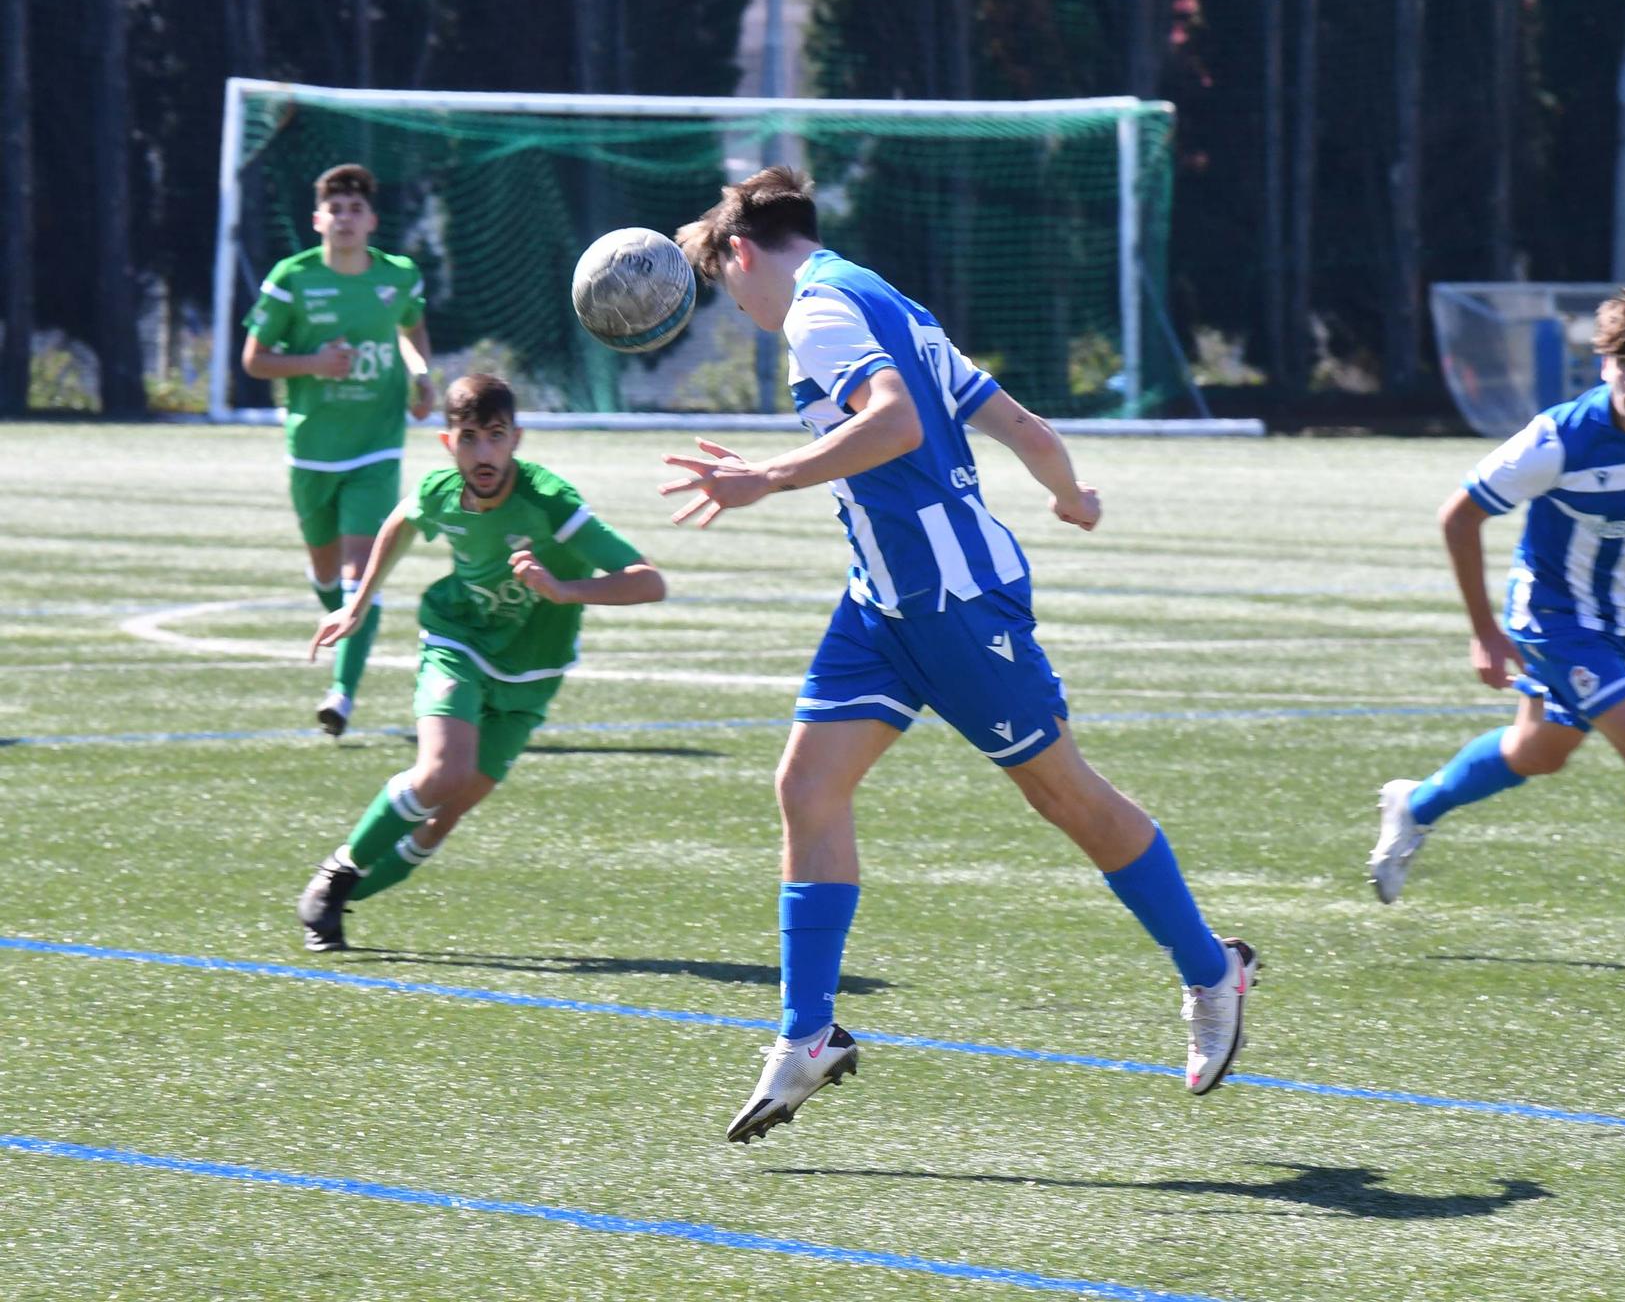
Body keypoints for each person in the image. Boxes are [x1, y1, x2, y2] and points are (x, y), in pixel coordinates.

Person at [665, 167, 1257, 1144]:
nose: (740, 307)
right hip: (881, 603)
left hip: (950, 602)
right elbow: (1015, 422)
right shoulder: (882, 295)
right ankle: (806, 1036)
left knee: (1063, 795)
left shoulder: (818, 315)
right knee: (806, 788)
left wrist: (766, 476)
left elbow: (894, 419)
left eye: (728, 287)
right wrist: (1069, 493)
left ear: (740, 252)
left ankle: (1209, 969)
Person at [1368, 288, 1625, 970]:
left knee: (1540, 751)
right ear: (1601, 365)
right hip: (1550, 618)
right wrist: (1484, 631)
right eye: (1622, 361)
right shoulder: (1560, 437)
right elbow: (1458, 517)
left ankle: (1417, 803)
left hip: (1616, 622)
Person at [295, 373, 665, 952]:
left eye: (495, 436)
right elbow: (400, 521)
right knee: (443, 772)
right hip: (458, 638)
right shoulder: (442, 491)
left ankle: (341, 899)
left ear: (516, 438)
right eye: (469, 438)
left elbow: (649, 582)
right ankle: (335, 875)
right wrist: (357, 606)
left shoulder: (551, 503)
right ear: (448, 443)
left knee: (446, 812)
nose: (483, 452)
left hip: (532, 673)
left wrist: (566, 589)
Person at [242, 163, 436, 737]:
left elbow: (414, 330)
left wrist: (422, 375)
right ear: (317, 219)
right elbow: (255, 359)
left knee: (358, 574)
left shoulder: (398, 277)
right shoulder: (292, 278)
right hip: (311, 450)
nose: (345, 218)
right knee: (328, 573)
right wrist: (313, 363)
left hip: (375, 447)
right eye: (336, 209)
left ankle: (341, 695)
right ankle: (339, 611)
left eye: (356, 209)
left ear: (371, 219)